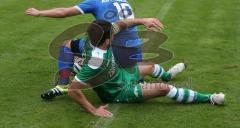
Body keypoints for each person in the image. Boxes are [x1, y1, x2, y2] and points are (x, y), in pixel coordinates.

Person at [66, 18, 225, 118]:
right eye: (112, 35)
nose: (114, 34)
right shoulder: (96, 60)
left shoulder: (95, 35)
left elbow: (122, 24)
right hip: (119, 91)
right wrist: (93, 110)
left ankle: (168, 74)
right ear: (107, 41)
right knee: (164, 89)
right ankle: (210, 98)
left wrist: (143, 20)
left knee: (151, 66)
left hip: (120, 74)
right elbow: (73, 90)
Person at [25, 0, 144, 91]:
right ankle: (137, 78)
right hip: (135, 52)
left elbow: (64, 12)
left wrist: (40, 13)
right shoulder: (124, 1)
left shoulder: (96, 1)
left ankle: (63, 84)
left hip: (112, 50)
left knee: (68, 45)